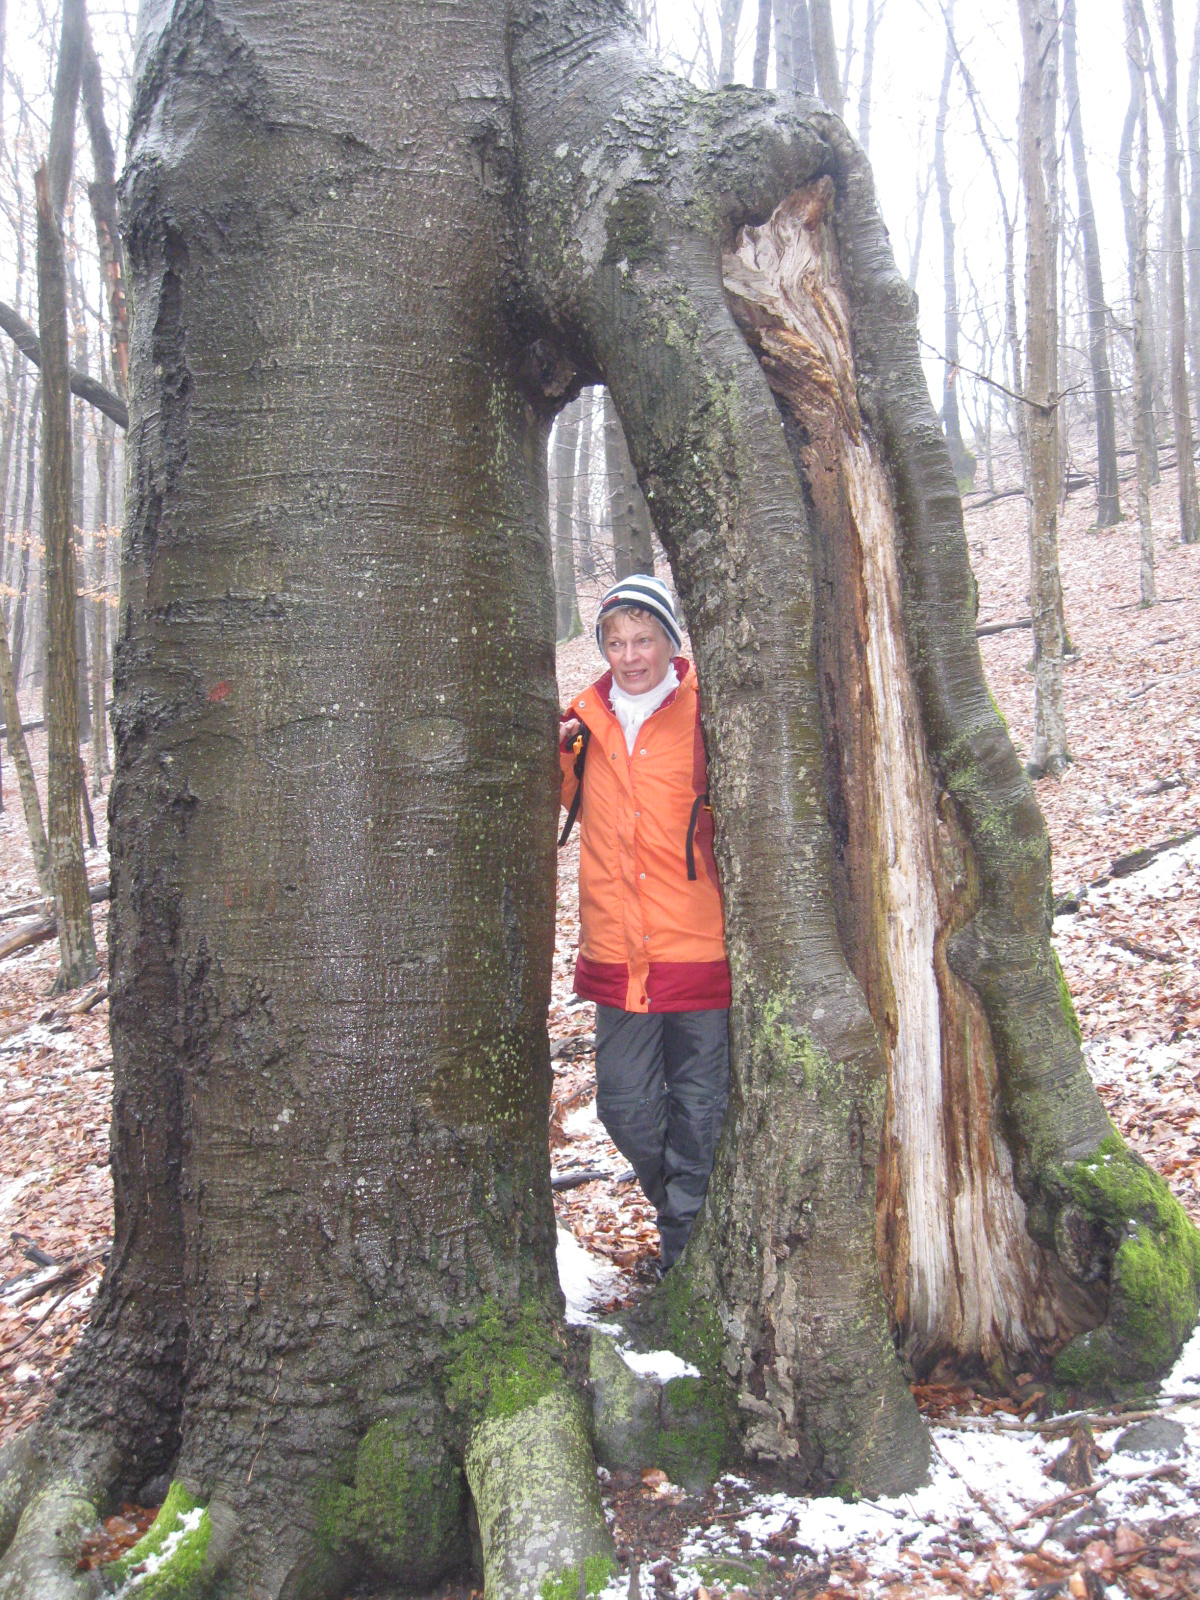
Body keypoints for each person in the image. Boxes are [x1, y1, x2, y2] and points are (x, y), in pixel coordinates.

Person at [559, 574, 730, 1271]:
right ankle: (681, 1212)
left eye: (644, 638)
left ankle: (685, 1251)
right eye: (616, 641)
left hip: (700, 946)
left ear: (669, 641)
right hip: (617, 951)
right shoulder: (582, 726)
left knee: (700, 1111)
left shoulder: (708, 714)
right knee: (625, 1108)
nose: (631, 656)